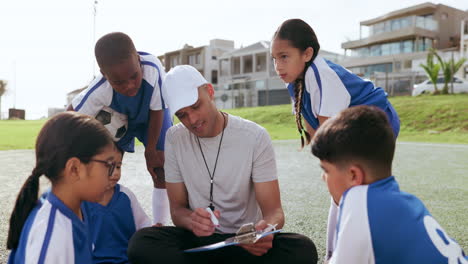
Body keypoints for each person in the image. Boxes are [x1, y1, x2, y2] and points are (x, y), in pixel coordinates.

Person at [127, 65, 318, 264]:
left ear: (210, 92)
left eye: (195, 106)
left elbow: (274, 212)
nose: (192, 120)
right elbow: (177, 210)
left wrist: (265, 231)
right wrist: (192, 221)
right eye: (182, 115)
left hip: (246, 243)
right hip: (200, 242)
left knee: (302, 249)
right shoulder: (174, 138)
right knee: (142, 243)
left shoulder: (254, 136)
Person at [311, 105, 468, 264]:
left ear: (354, 175)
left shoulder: (360, 200)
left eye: (326, 170)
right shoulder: (410, 202)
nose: (323, 178)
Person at [68, 32, 172, 225]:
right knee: (107, 172)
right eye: (119, 82)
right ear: (104, 74)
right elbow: (69, 116)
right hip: (121, 121)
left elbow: (158, 110)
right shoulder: (100, 90)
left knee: (160, 167)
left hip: (152, 117)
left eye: (134, 76)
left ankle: (160, 225)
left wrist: (150, 150)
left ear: (139, 60)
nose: (130, 85)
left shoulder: (153, 69)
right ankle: (100, 223)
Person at [271, 19, 400, 148]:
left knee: (352, 163)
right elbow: (313, 129)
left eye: (284, 57)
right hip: (352, 126)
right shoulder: (292, 80)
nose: (278, 66)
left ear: (307, 54)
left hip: (379, 119)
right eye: (274, 58)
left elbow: (327, 135)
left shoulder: (321, 74)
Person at [7, 111, 115, 263]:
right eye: (109, 165)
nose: (113, 175)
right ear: (75, 169)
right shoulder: (54, 237)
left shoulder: (76, 207)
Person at [83, 144, 151, 263]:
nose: (115, 173)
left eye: (118, 167)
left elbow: (143, 227)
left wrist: (151, 232)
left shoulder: (126, 196)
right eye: (109, 167)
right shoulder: (81, 202)